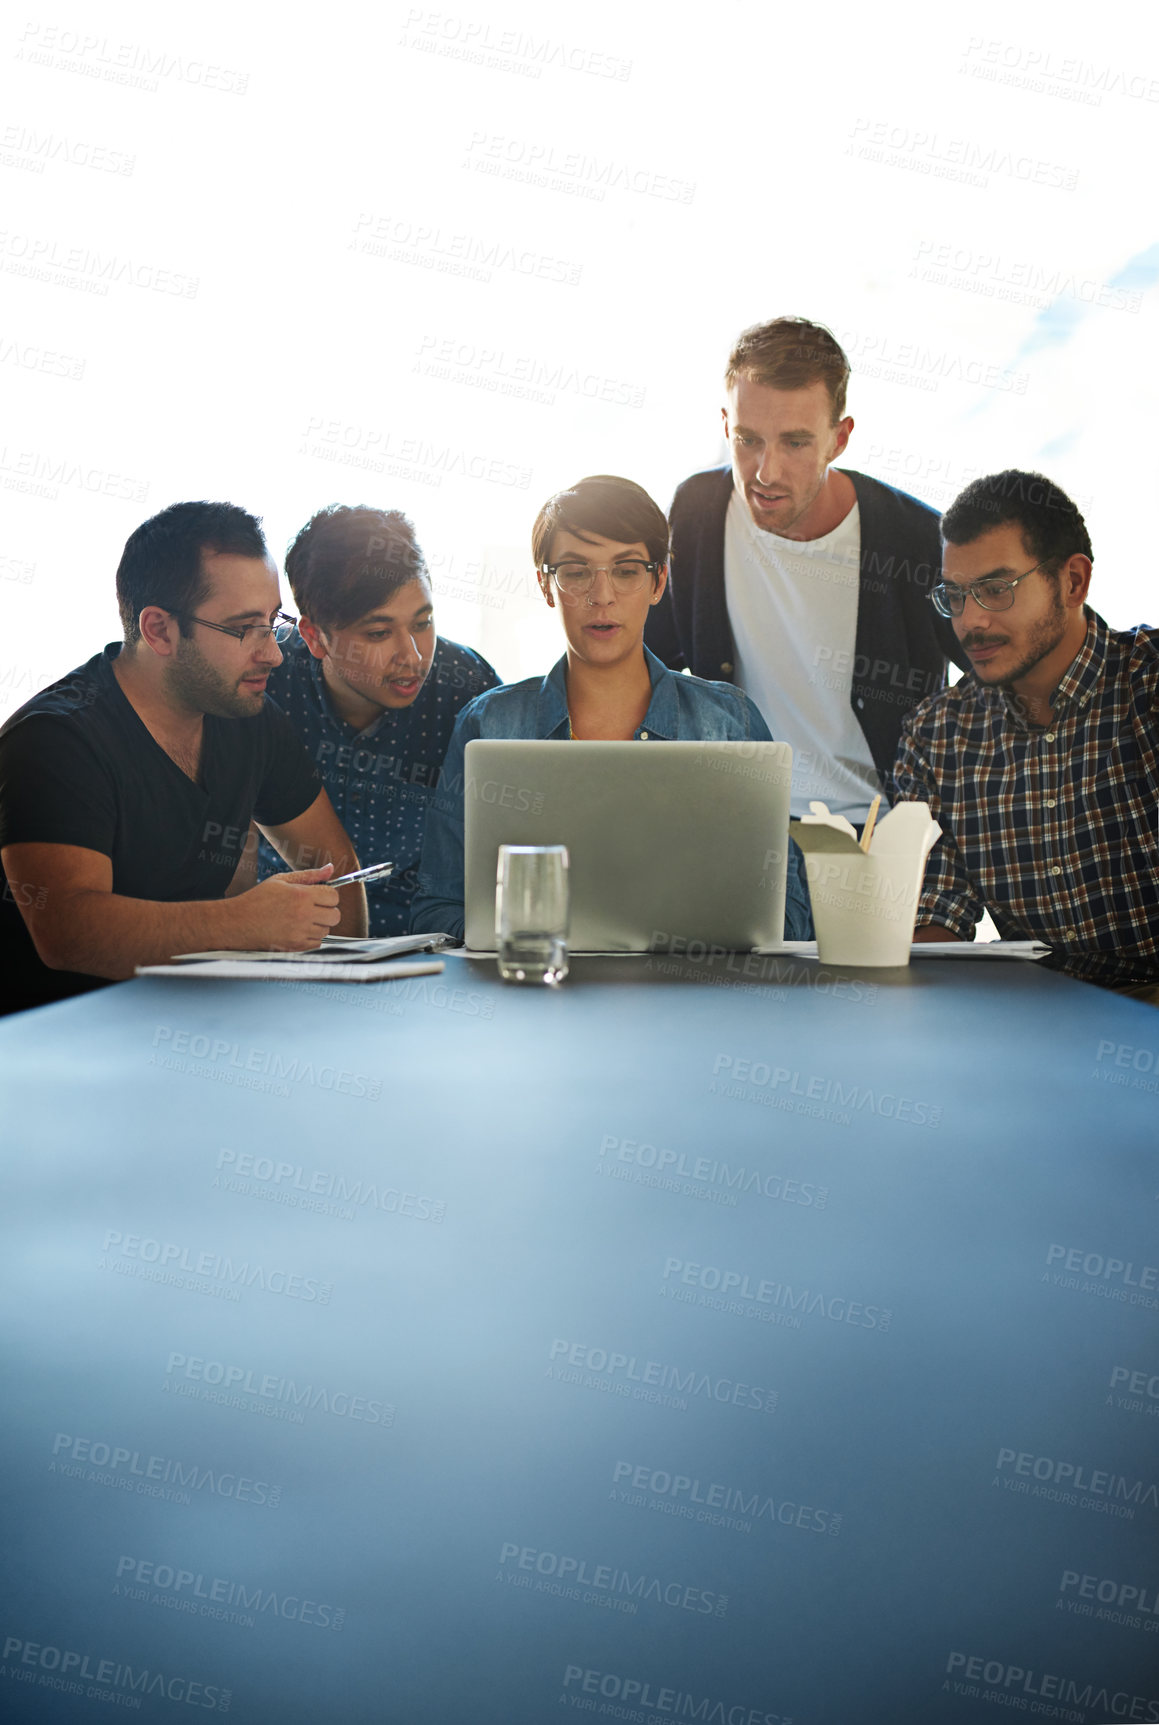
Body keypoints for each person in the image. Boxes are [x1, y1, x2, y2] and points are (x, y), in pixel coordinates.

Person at [0, 501, 367, 1015]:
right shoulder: (55, 739)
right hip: (51, 1047)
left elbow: (337, 876)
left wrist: (331, 1006)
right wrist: (244, 923)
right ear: (159, 631)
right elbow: (68, 933)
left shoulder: (249, 716)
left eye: (272, 621)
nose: (274, 653)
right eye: (244, 629)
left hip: (194, 1027)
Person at [410, 474, 811, 941]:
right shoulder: (490, 724)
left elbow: (789, 916)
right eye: (577, 572)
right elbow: (438, 910)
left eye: (626, 570)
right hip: (538, 996)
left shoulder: (728, 723)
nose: (602, 596)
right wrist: (538, 934)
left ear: (659, 581)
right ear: (546, 585)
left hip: (688, 997)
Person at [645, 316, 965, 822]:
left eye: (795, 443)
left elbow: (1010, 675)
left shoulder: (916, 539)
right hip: (741, 825)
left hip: (882, 832)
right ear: (726, 425)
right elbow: (641, 661)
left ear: (838, 439)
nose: (765, 473)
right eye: (748, 440)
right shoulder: (697, 511)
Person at [893, 470, 1159, 997]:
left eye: (995, 589)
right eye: (956, 595)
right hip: (1041, 1018)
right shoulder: (937, 736)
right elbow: (936, 921)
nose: (970, 622)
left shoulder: (1146, 686)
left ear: (1073, 581)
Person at [256, 505, 500, 934]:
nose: (413, 656)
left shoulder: (467, 685)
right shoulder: (265, 681)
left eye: (423, 623)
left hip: (436, 947)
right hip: (295, 942)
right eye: (378, 634)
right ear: (314, 636)